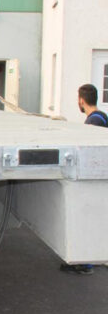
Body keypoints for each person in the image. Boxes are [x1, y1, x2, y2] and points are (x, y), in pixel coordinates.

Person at [61, 84, 108, 275]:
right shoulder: (102, 116)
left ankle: (86, 262)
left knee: (87, 218)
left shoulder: (93, 122)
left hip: (94, 179)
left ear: (81, 100)